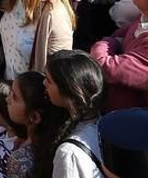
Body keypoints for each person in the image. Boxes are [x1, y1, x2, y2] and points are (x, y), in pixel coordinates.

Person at [42, 50, 104, 178]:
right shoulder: (102, 122)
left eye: (49, 80)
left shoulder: (69, 154)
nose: (44, 83)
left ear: (68, 90)